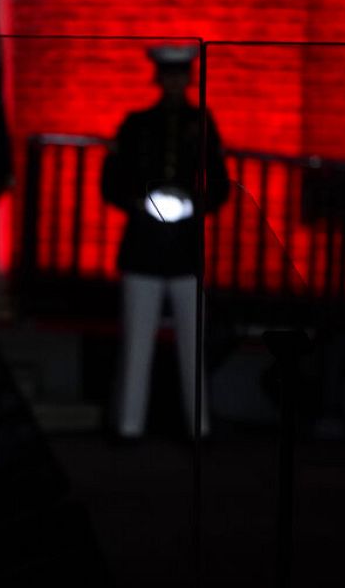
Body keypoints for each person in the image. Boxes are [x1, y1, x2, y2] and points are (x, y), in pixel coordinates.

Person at [101, 44, 230, 441]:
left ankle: (199, 426)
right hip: (143, 246)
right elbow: (112, 182)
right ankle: (129, 425)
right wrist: (139, 202)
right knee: (137, 341)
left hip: (185, 249)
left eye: (180, 75)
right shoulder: (136, 125)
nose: (174, 83)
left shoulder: (202, 124)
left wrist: (195, 202)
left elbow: (221, 185)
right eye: (168, 75)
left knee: (193, 344)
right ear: (160, 78)